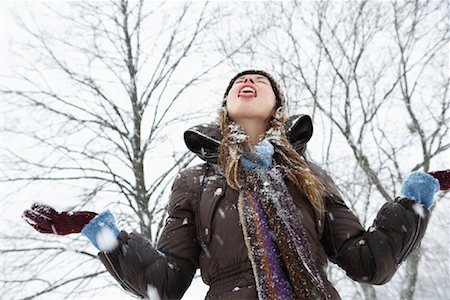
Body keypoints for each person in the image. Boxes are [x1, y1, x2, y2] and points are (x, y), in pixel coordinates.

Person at [23, 70, 442, 300]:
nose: (249, 81)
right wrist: (103, 233)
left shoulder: (309, 178)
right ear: (225, 106)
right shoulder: (195, 182)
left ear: (277, 107)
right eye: (238, 82)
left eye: (262, 81)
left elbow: (369, 262)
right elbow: (166, 282)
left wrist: (415, 200)